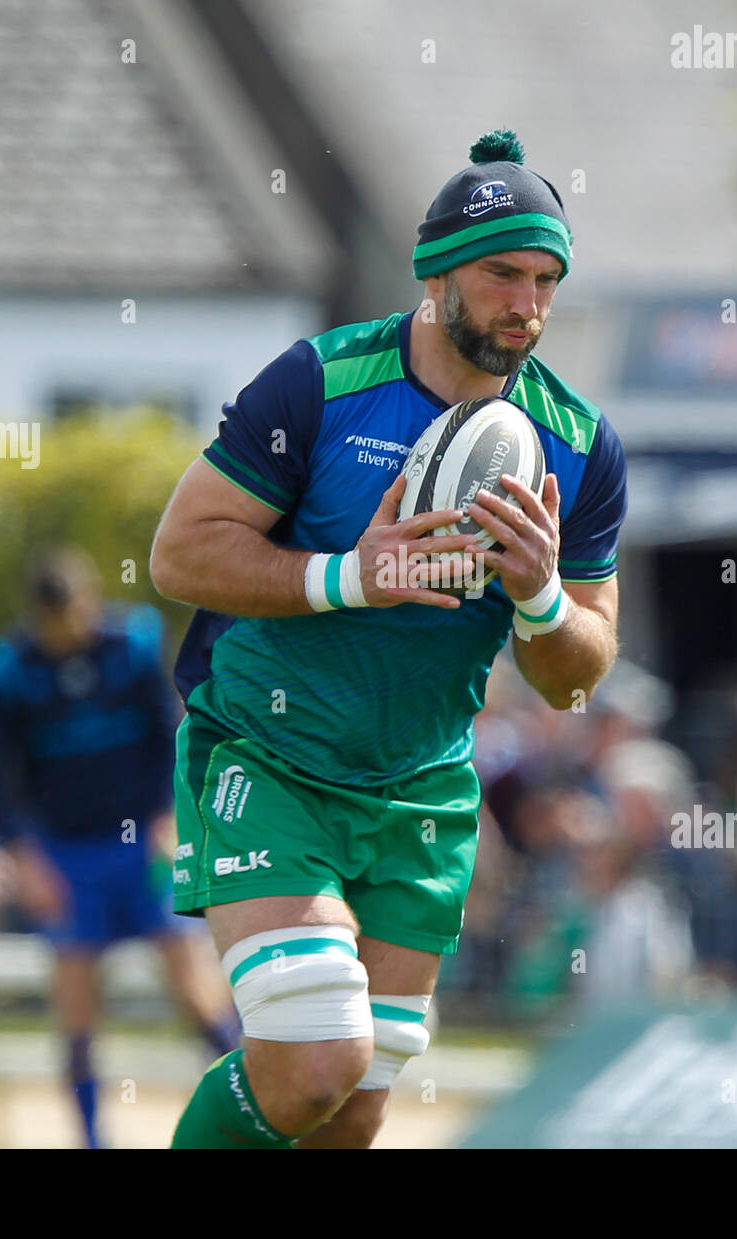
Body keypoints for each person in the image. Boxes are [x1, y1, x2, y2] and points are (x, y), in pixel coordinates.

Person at [151, 128, 628, 1149]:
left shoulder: (579, 446)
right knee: (318, 1053)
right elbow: (181, 555)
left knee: (353, 1107)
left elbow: (578, 677)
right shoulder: (320, 384)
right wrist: (346, 577)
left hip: (421, 787)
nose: (528, 305)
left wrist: (542, 597)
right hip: (268, 754)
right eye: (504, 273)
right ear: (435, 271)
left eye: (546, 280)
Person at [0, 545, 240, 1148]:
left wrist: (171, 818)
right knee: (75, 1003)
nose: (73, 630)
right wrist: (23, 855)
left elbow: (174, 734)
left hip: (142, 842)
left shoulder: (135, 644)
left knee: (191, 977)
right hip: (64, 855)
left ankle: (253, 1105)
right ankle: (92, 1138)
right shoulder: (10, 668)